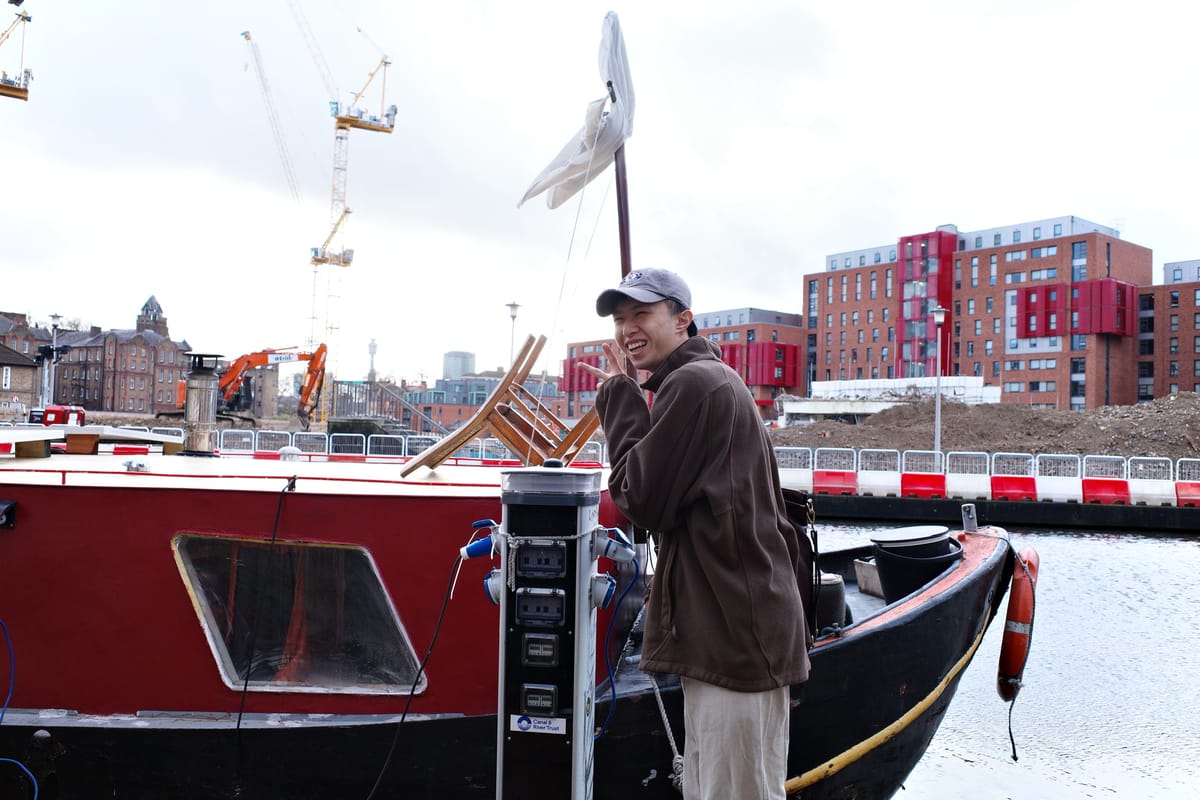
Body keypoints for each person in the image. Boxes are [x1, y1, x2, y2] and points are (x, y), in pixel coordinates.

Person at [577, 268, 811, 800]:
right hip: (734, 627)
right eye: (619, 319)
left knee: (732, 791)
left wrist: (619, 399)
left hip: (732, 634)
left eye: (642, 313)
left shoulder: (694, 385)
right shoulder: (707, 380)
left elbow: (641, 500)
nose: (626, 329)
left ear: (683, 319)